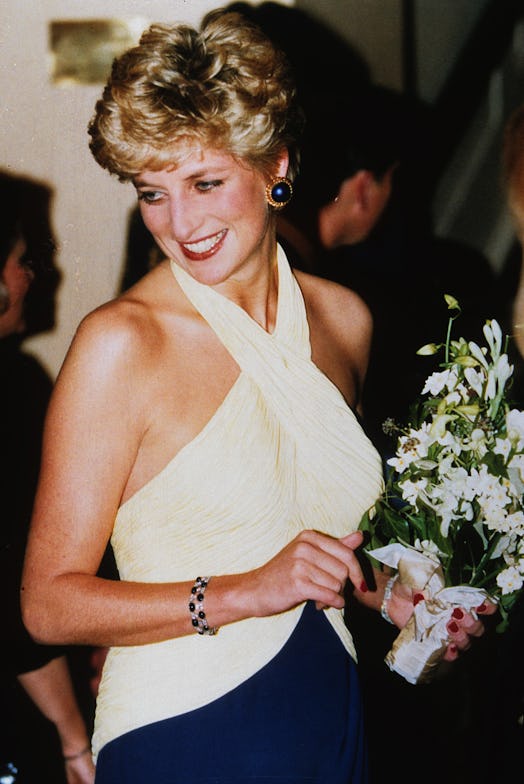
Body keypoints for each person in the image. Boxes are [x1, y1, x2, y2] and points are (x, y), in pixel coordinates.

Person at [21, 10, 490, 783]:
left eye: (205, 182)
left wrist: (396, 598)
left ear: (275, 165)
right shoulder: (122, 344)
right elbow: (47, 604)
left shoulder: (345, 320)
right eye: (153, 193)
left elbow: (317, 540)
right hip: (185, 733)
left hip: (331, 722)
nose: (181, 223)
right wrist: (243, 592)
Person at [0, 170, 95, 784]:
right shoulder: (12, 388)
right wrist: (72, 739)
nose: (36, 274)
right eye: (19, 259)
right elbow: (13, 604)